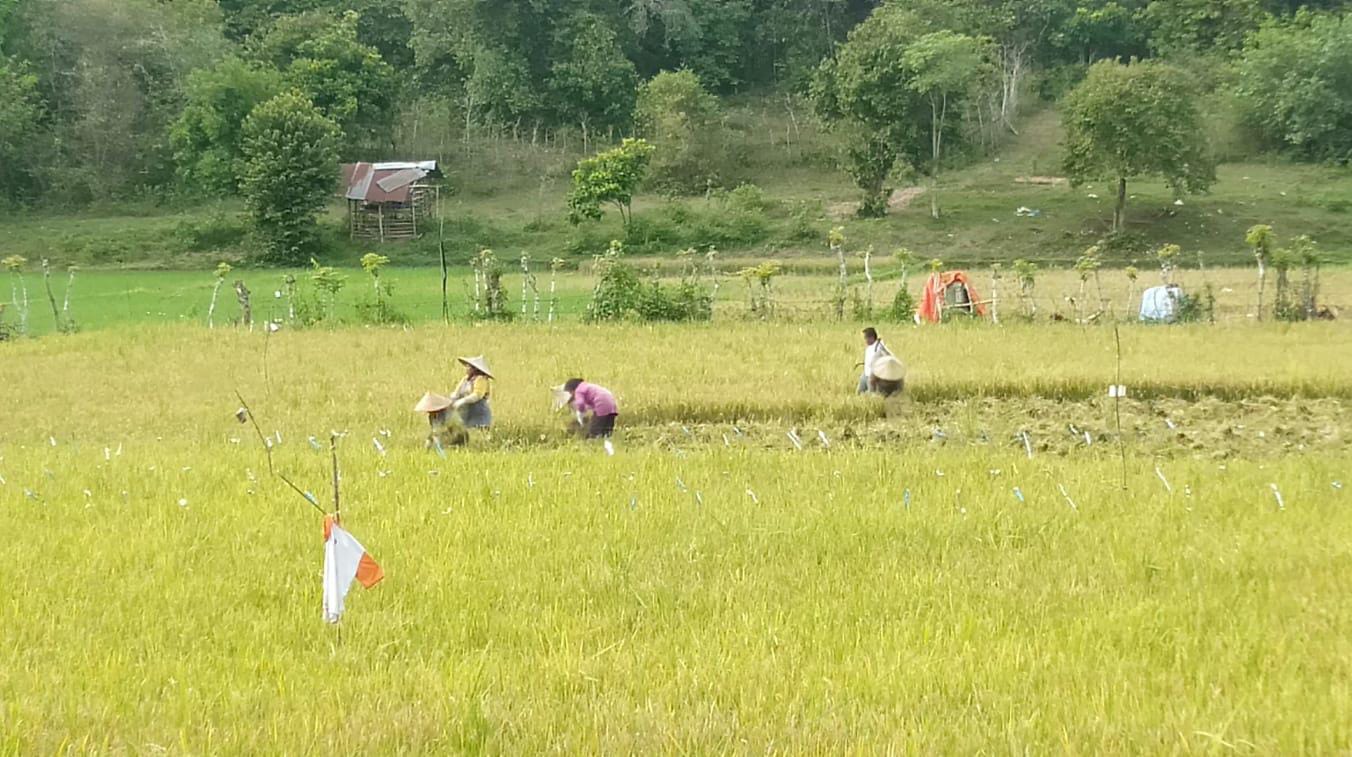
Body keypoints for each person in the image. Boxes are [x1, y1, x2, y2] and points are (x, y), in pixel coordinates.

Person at [449, 355, 494, 429]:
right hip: (467, 412)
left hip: (479, 415)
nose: (466, 369)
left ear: (475, 369)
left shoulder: (481, 379)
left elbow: (477, 395)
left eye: (468, 367)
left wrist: (462, 401)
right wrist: (450, 400)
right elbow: (456, 393)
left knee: (478, 432)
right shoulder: (465, 379)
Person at [857, 327, 893, 394]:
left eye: (865, 338)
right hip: (865, 374)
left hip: (873, 376)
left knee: (871, 394)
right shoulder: (870, 347)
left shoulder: (880, 347)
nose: (865, 340)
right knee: (859, 392)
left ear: (871, 337)